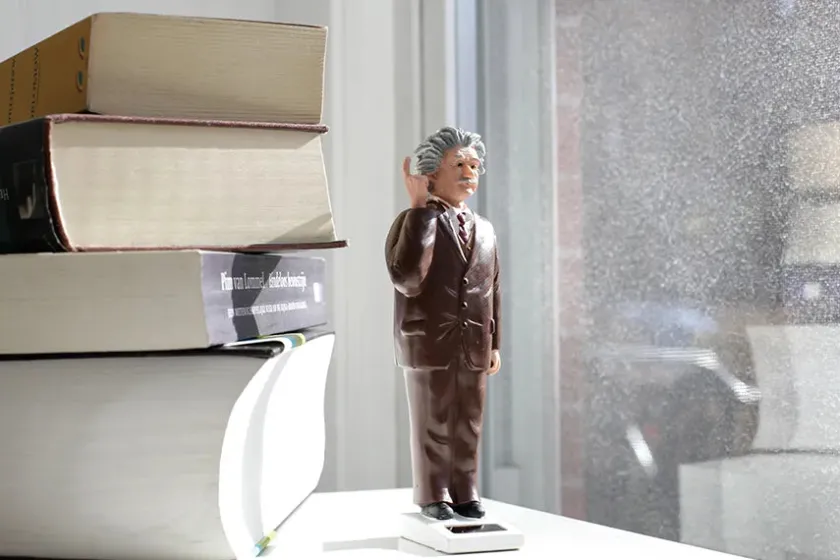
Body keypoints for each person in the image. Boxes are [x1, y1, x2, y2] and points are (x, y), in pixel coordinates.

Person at [384, 126, 502, 520]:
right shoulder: (415, 220)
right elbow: (408, 278)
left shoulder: (485, 229)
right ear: (432, 173)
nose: (469, 172)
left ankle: (465, 490)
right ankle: (433, 493)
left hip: (474, 344)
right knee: (432, 421)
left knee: (469, 422)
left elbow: (493, 290)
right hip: (428, 342)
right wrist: (419, 208)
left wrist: (495, 343)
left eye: (475, 166)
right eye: (459, 165)